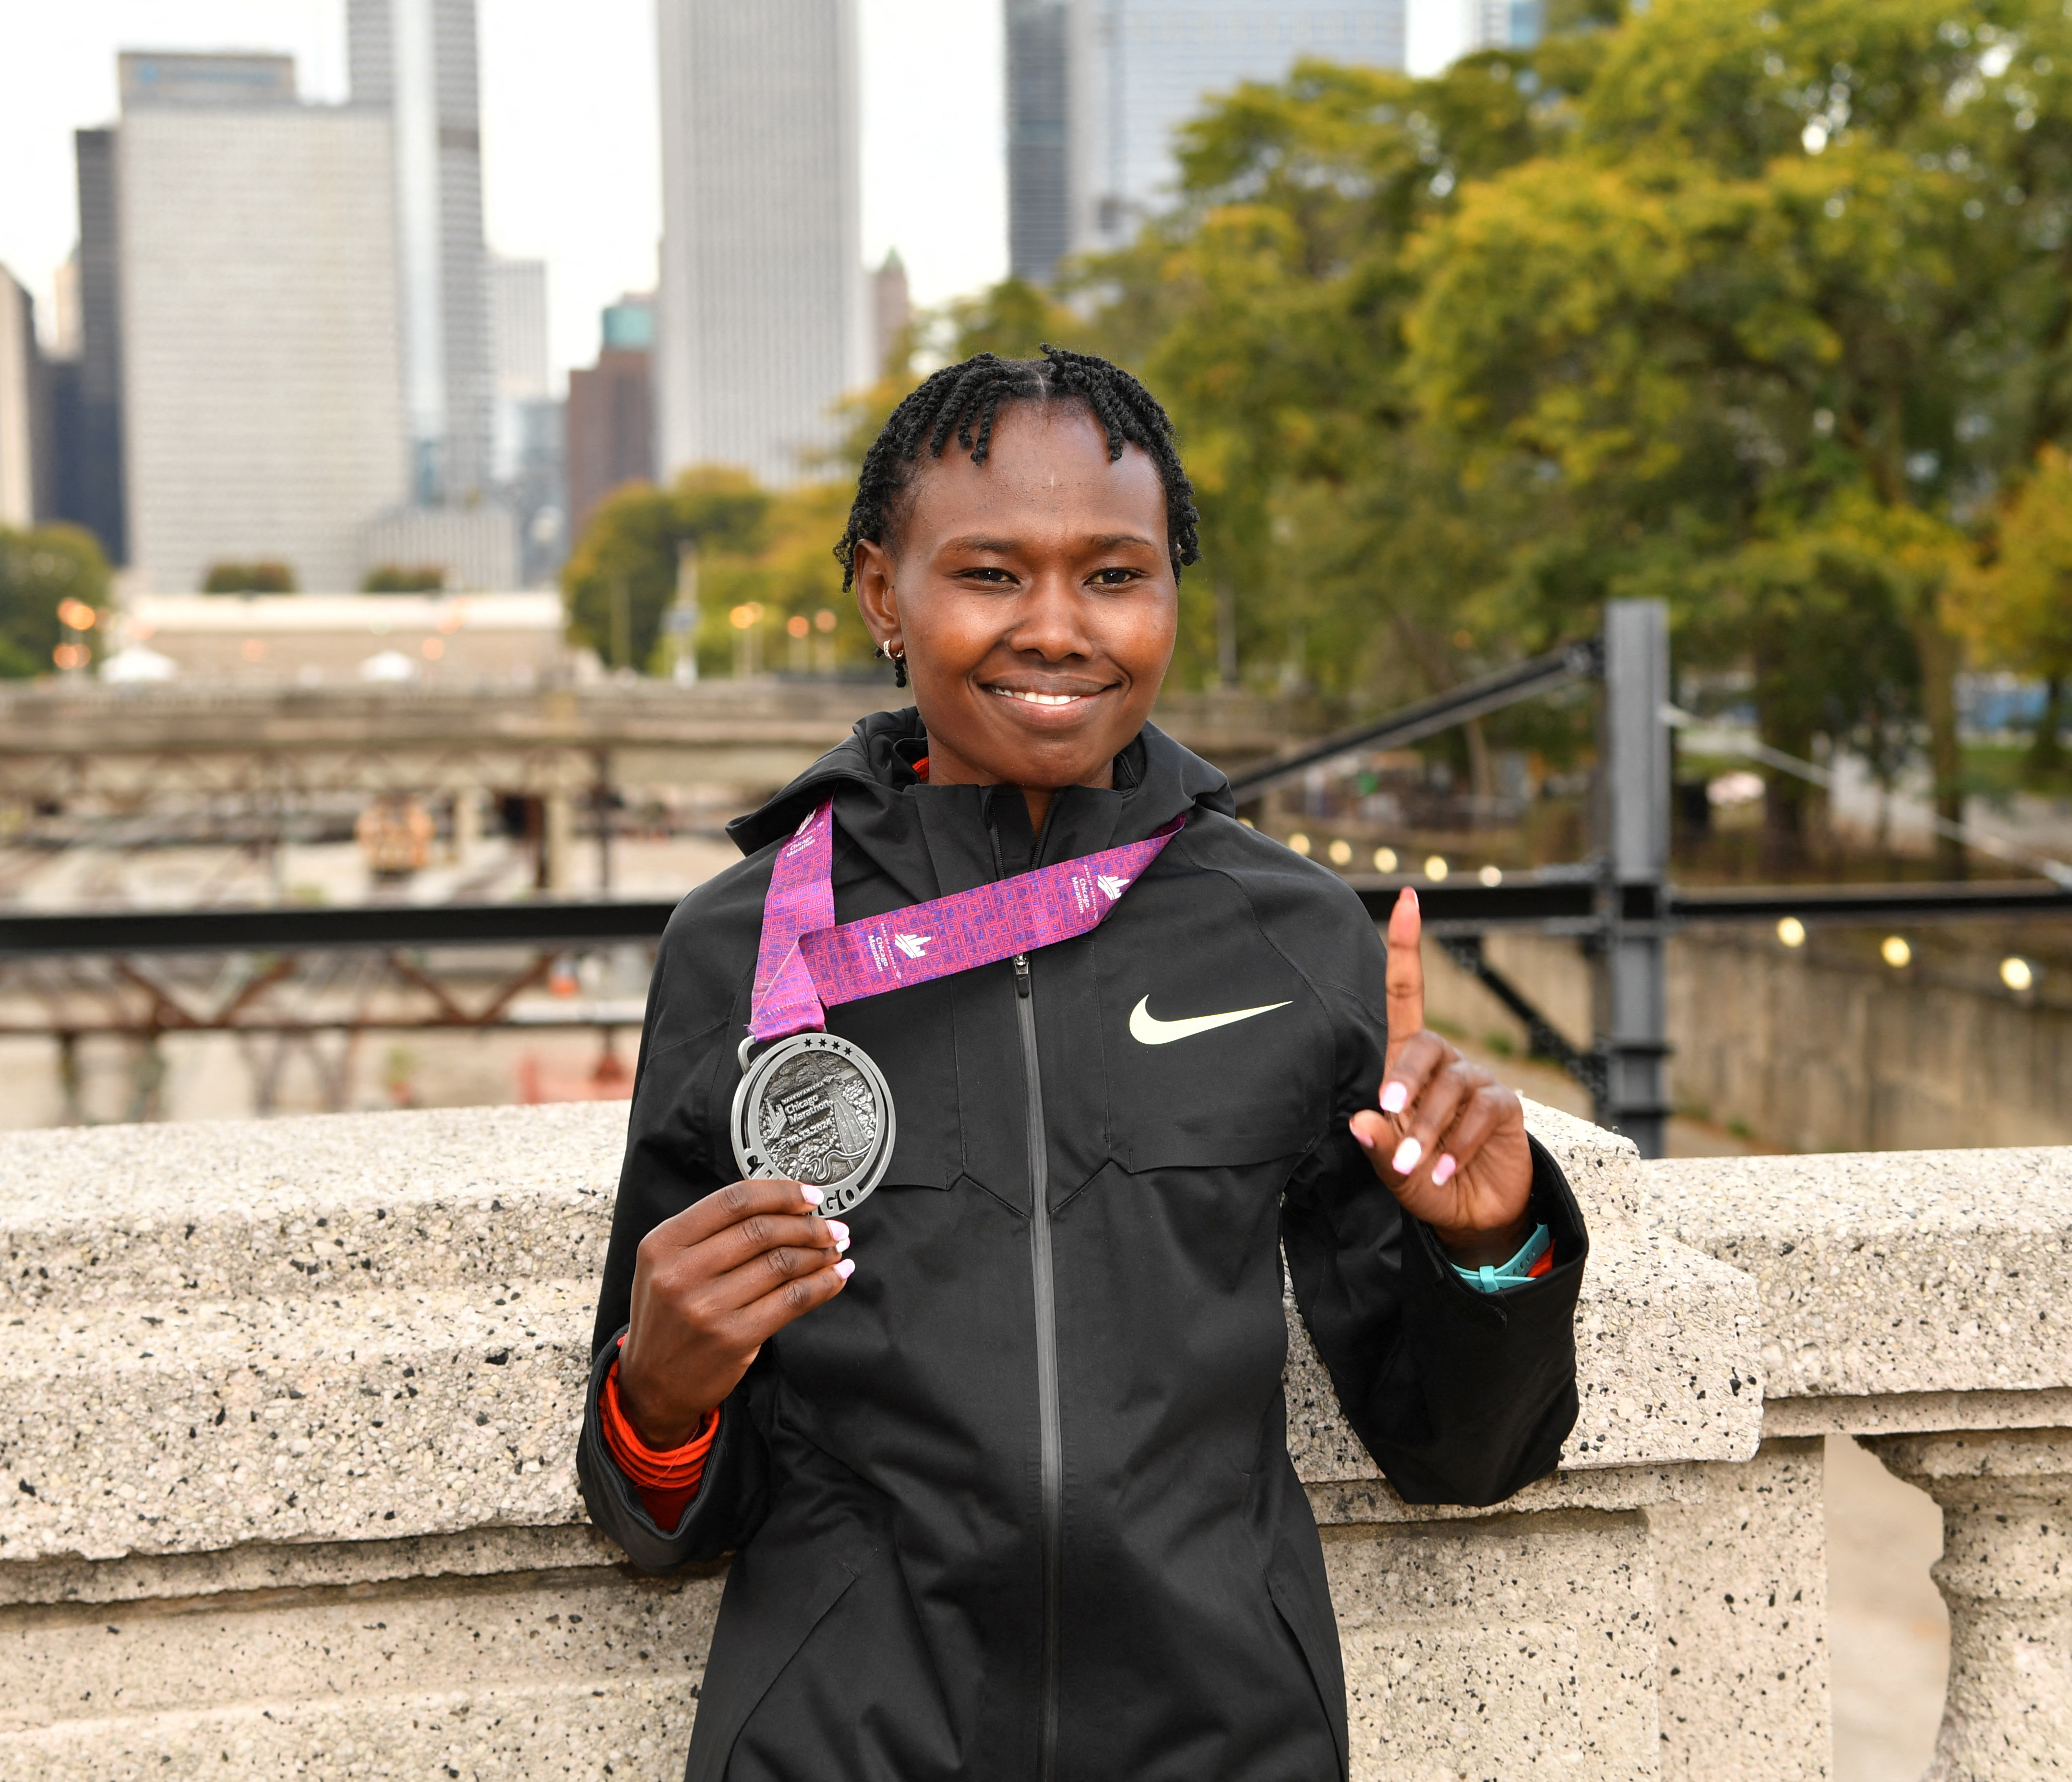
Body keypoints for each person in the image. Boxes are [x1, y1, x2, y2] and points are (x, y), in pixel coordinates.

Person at [577, 348, 1585, 1782]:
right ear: (881, 591)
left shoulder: (1292, 933)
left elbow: (1457, 1453)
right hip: (840, 1748)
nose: (1058, 629)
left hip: (1225, 1745)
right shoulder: (744, 947)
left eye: (1116, 576)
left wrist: (1493, 1249)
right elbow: (659, 1512)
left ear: (1172, 593)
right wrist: (658, 1398)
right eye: (990, 574)